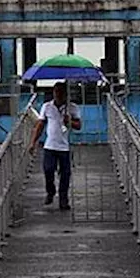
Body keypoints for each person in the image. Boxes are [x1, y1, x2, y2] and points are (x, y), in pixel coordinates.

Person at [30, 81, 82, 210]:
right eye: (56, 92)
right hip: (50, 146)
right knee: (48, 170)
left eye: (60, 92)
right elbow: (40, 125)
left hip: (64, 147)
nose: (58, 94)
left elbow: (79, 126)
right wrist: (33, 142)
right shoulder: (47, 107)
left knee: (65, 174)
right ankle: (50, 191)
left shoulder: (72, 108)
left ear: (65, 94)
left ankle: (63, 199)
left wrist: (69, 121)